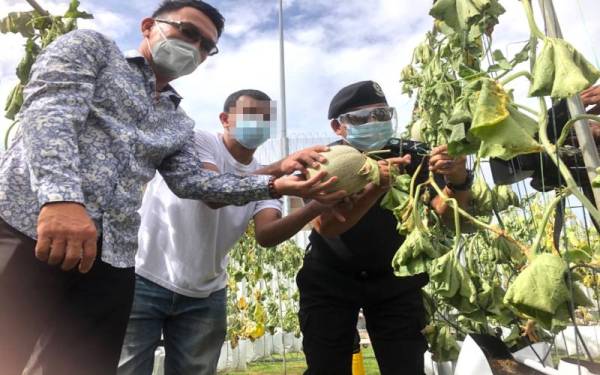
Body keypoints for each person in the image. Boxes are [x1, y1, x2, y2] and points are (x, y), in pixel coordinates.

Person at [0, 1, 340, 374]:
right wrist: (61, 199)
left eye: (206, 46)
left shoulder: (177, 122)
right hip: (28, 226)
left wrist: (276, 184)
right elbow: (51, 114)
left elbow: (197, 183)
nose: (194, 48)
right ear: (149, 25)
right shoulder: (92, 49)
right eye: (187, 32)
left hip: (110, 259)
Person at [117, 89, 347, 375]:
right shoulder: (198, 141)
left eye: (266, 119)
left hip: (206, 293)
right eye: (251, 116)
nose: (259, 124)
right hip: (145, 278)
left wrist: (316, 206)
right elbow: (212, 192)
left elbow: (267, 235)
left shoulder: (269, 182)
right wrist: (276, 171)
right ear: (225, 119)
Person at [296, 80, 473, 375]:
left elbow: (450, 217)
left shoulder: (415, 156)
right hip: (329, 280)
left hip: (395, 282)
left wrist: (458, 179)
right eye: (360, 119)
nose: (373, 123)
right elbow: (325, 226)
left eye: (381, 115)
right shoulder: (321, 161)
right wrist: (376, 185)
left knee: (406, 367)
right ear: (337, 127)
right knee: (325, 368)